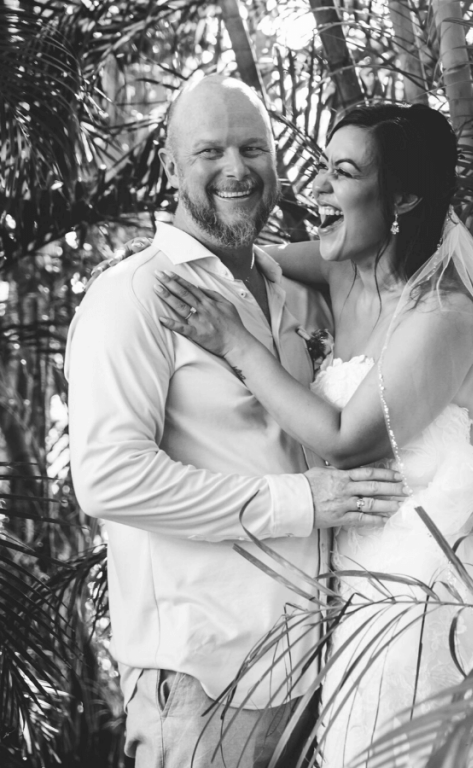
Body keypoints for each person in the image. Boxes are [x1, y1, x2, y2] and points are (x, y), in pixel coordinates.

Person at [151, 102, 473, 766]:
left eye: (342, 172)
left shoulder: (446, 315)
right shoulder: (339, 265)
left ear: (401, 196)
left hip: (430, 592)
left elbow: (347, 437)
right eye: (321, 166)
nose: (316, 187)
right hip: (359, 585)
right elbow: (241, 263)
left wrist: (237, 345)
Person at [65, 76, 409, 768]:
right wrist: (298, 502)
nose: (236, 169)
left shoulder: (297, 288)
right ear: (169, 166)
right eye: (210, 151)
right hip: (203, 687)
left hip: (320, 675)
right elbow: (107, 479)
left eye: (253, 149)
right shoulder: (131, 298)